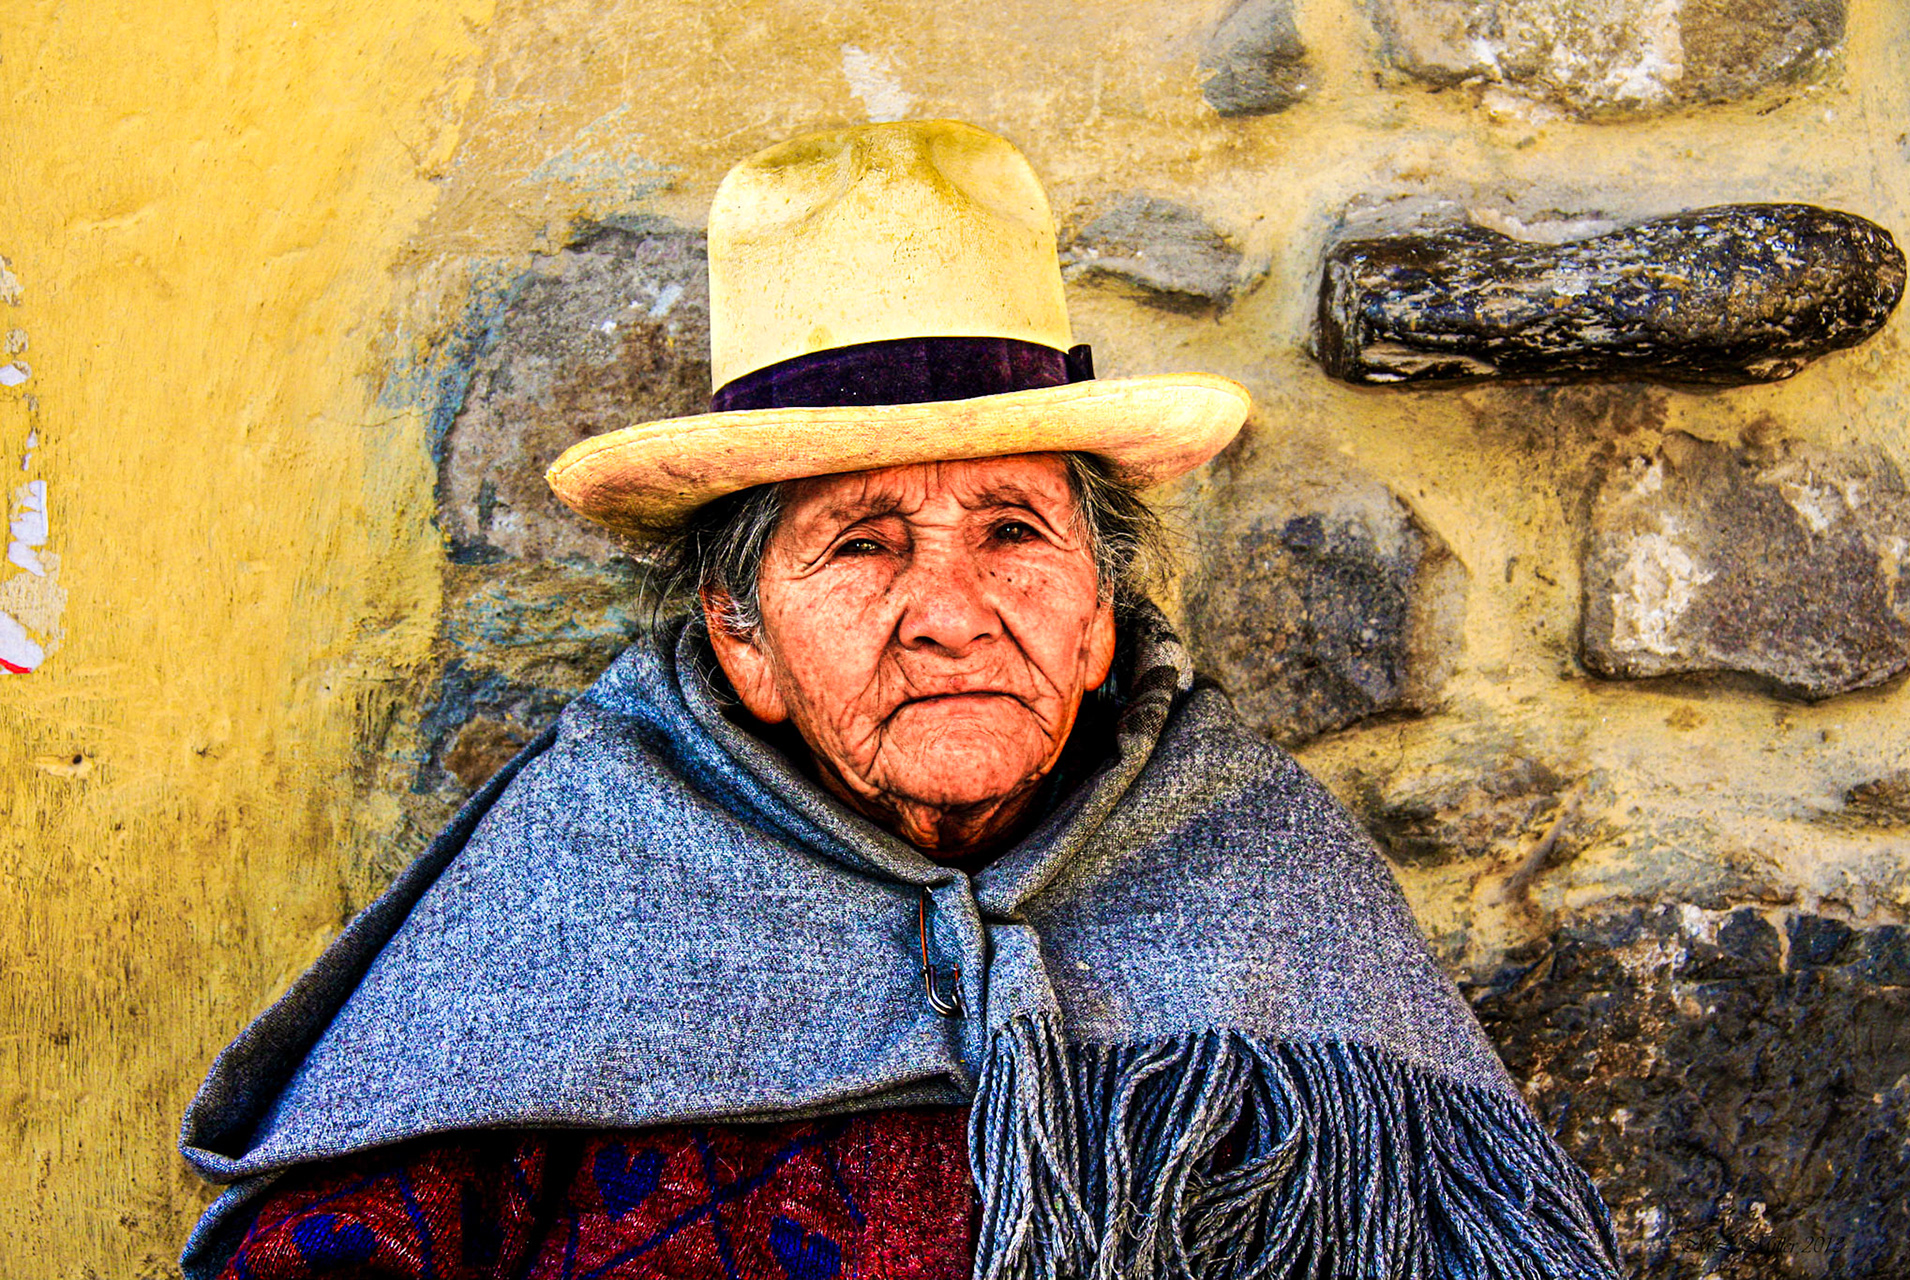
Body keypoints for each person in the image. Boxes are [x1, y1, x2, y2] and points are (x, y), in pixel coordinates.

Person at [180, 120, 1620, 1280]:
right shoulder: (574, 876)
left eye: (1014, 531)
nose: (950, 612)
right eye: (863, 544)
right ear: (742, 636)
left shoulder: (1260, 865)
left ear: (1099, 618)